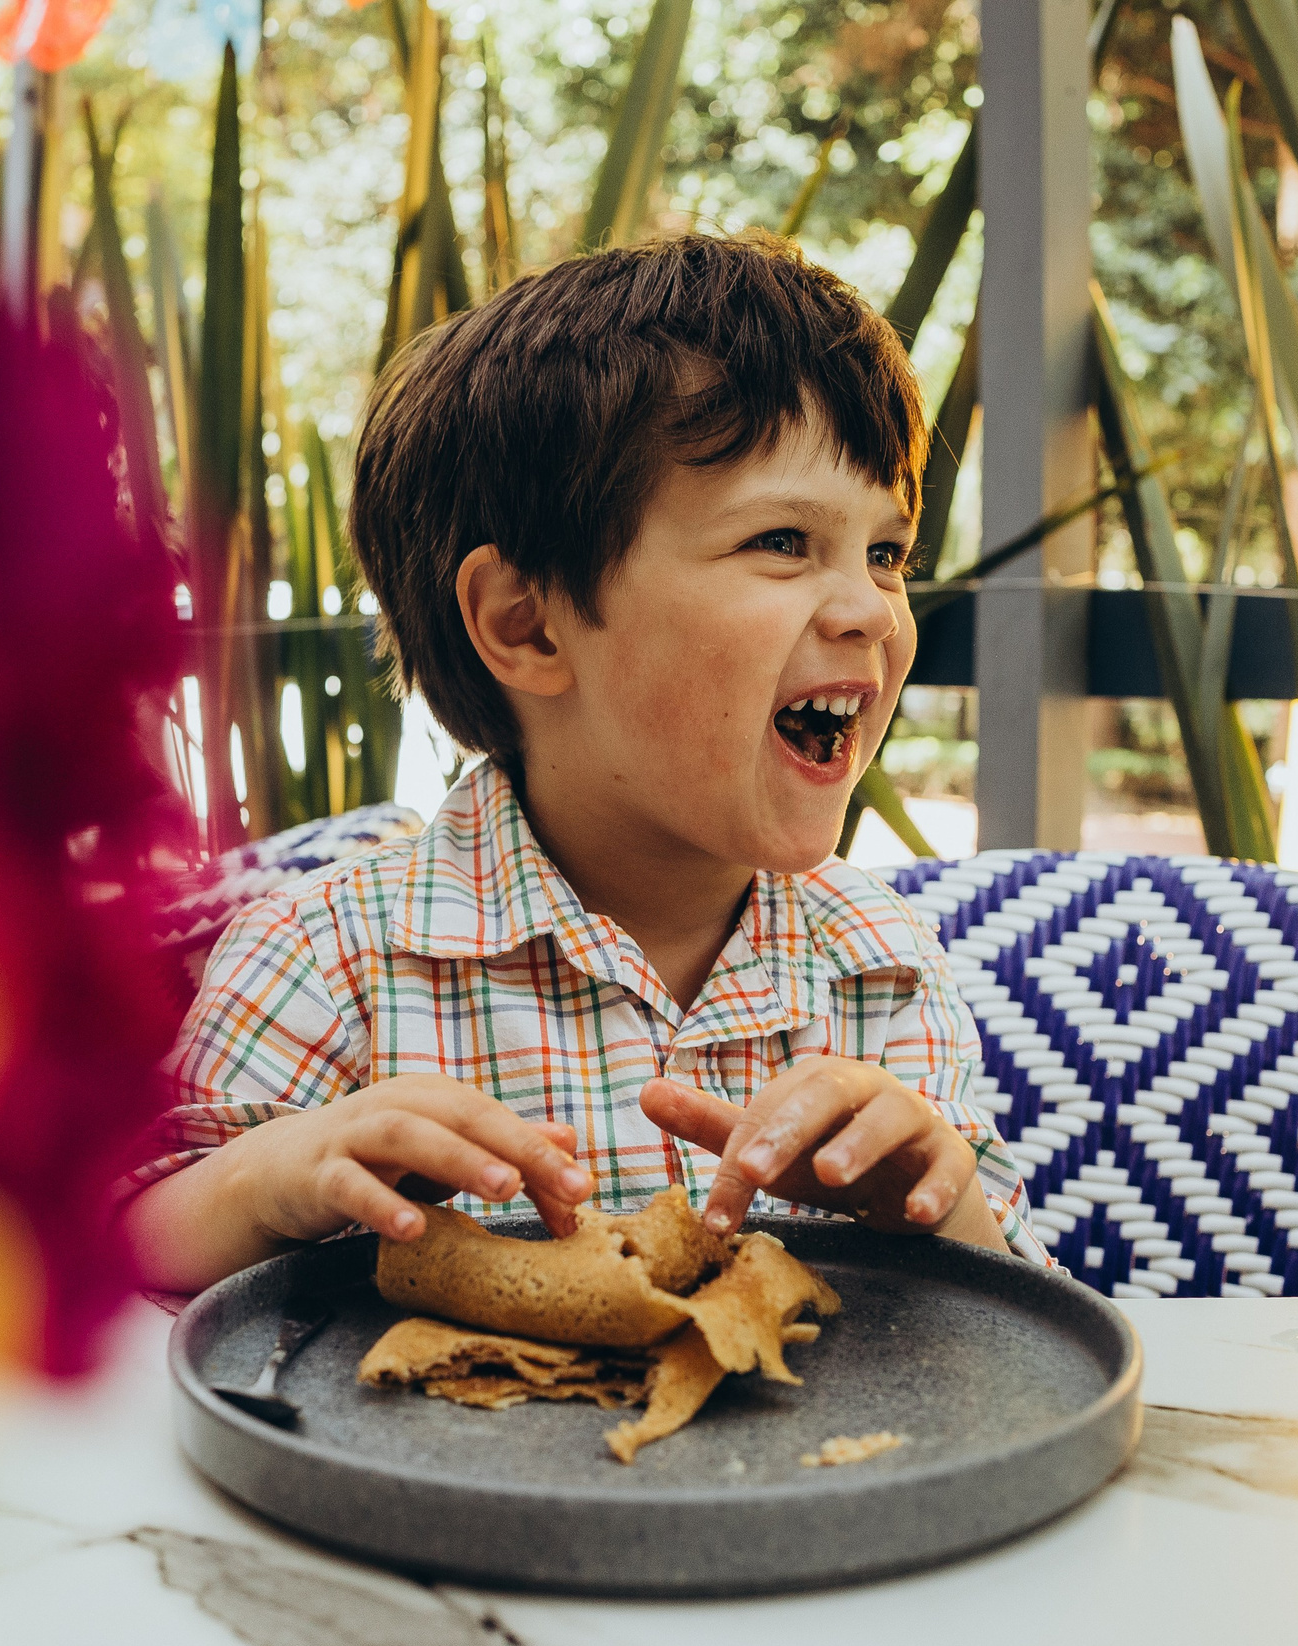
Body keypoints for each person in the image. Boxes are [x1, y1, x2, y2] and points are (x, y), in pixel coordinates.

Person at [125, 232, 1047, 1292]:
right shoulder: (328, 958)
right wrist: (262, 1181)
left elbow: (1025, 1323)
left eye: (885, 552)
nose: (868, 612)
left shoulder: (877, 962)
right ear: (528, 625)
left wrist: (938, 1200)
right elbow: (124, 1266)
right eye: (783, 541)